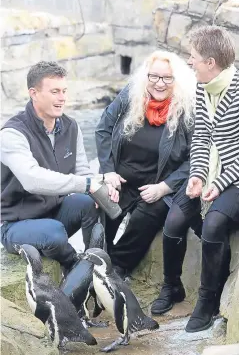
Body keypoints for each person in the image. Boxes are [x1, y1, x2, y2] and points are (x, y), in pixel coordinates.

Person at [95, 50, 202, 303]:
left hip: (159, 183)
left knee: (148, 214)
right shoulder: (130, 95)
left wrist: (165, 187)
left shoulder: (187, 108)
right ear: (146, 76)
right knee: (103, 207)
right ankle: (98, 262)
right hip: (121, 179)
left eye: (167, 78)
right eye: (154, 76)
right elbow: (103, 129)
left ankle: (117, 269)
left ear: (178, 80)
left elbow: (195, 157)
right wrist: (108, 171)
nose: (159, 83)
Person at [1, 61, 118, 277]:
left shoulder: (71, 127)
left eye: (64, 91)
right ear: (34, 93)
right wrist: (86, 184)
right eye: (55, 91)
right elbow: (31, 179)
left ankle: (100, 269)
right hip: (16, 225)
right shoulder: (12, 133)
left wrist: (100, 186)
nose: (62, 97)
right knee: (54, 233)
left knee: (90, 203)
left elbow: (83, 173)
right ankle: (77, 268)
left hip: (55, 212)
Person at [184, 26, 239, 332]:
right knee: (183, 211)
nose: (189, 62)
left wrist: (218, 183)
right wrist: (198, 175)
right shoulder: (201, 87)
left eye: (193, 57)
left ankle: (207, 301)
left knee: (215, 223)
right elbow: (202, 137)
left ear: (210, 61)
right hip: (217, 174)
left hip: (234, 178)